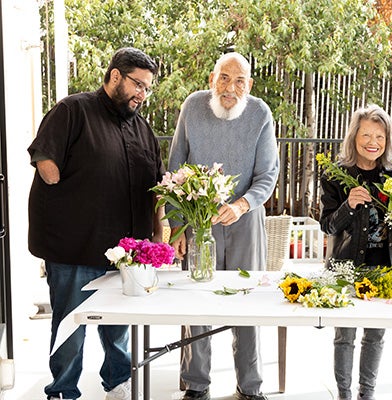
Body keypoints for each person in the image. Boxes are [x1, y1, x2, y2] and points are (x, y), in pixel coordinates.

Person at [27, 47, 163, 400]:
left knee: (118, 329)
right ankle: (63, 391)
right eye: (138, 85)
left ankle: (117, 383)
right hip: (75, 246)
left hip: (125, 254)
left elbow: (156, 186)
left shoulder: (143, 129)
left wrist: (158, 235)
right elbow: (46, 160)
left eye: (148, 89)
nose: (142, 94)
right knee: (71, 327)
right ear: (116, 76)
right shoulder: (73, 110)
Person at [168, 52, 279, 400]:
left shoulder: (260, 113)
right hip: (199, 220)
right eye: (225, 78)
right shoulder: (193, 106)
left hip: (245, 220)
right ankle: (196, 383)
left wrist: (242, 204)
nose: (231, 87)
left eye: (239, 80)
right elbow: (175, 165)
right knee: (195, 301)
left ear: (249, 85)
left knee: (248, 300)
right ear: (212, 78)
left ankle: (250, 386)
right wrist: (177, 227)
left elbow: (268, 174)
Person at [319, 104, 392, 400]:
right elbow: (326, 225)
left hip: (384, 267)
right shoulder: (336, 175)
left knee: (375, 335)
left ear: (387, 140)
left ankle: (367, 394)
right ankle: (343, 394)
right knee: (345, 336)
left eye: (380, 136)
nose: (373, 142)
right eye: (366, 134)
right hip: (345, 266)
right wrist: (348, 205)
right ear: (354, 137)